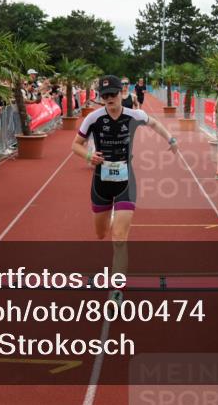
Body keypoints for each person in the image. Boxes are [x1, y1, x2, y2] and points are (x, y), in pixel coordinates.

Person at [71, 76, 178, 281]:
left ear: (122, 93)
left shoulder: (133, 115)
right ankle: (110, 216)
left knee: (119, 239)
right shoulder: (93, 118)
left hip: (126, 181)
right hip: (100, 183)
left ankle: (117, 287)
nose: (109, 98)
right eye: (105, 95)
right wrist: (88, 155)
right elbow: (75, 144)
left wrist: (171, 139)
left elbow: (154, 124)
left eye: (113, 94)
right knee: (101, 234)